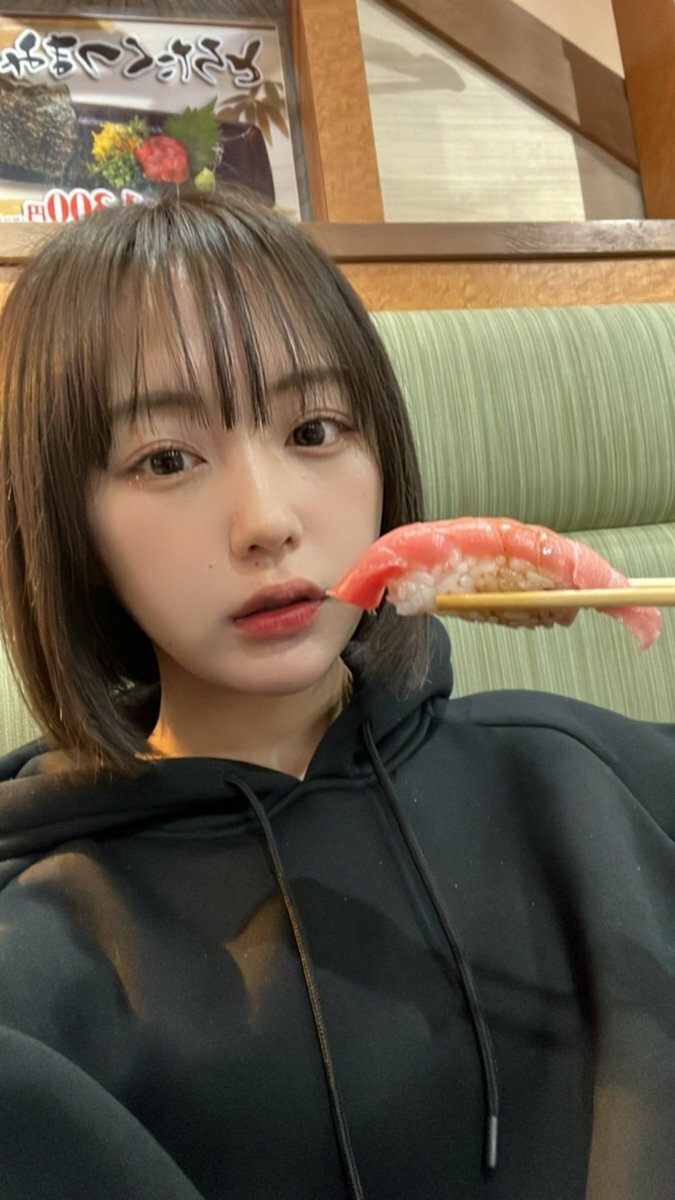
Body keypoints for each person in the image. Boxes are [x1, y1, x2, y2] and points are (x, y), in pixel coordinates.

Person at [0, 188, 672, 1200]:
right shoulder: (35, 970)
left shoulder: (590, 781)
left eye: (314, 429)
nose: (267, 521)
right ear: (69, 526)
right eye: (166, 459)